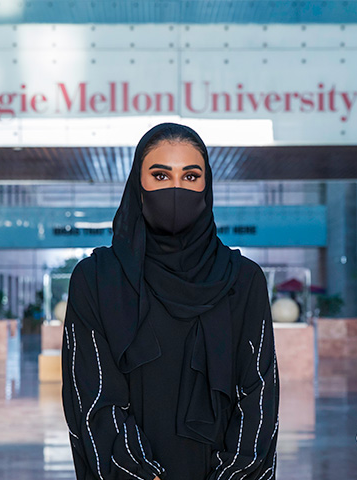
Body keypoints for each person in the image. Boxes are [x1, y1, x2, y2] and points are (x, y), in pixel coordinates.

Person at [61, 123, 279, 480]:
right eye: (160, 175)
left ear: (207, 186)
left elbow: (259, 395)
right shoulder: (97, 279)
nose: (176, 188)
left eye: (190, 176)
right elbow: (92, 398)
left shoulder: (243, 279)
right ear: (138, 184)